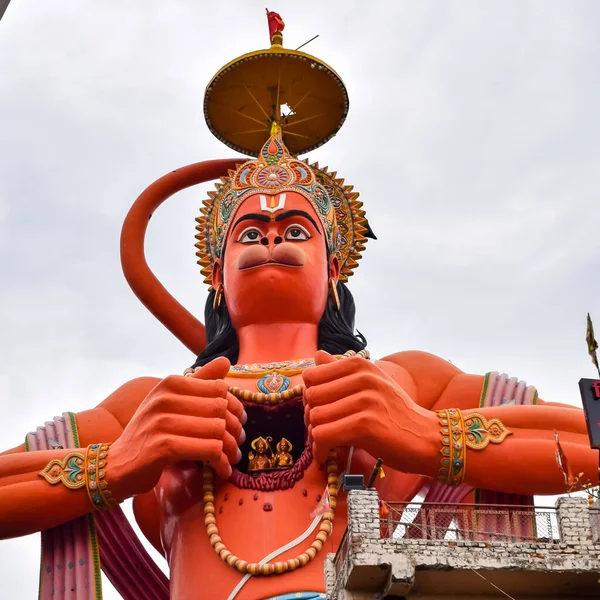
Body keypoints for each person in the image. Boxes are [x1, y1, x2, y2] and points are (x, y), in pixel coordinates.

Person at [0, 129, 597, 600]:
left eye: (294, 228)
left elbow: (591, 443)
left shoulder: (400, 383)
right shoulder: (157, 407)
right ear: (216, 275)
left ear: (334, 267)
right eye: (250, 231)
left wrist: (426, 435)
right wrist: (119, 463)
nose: (269, 240)